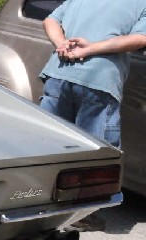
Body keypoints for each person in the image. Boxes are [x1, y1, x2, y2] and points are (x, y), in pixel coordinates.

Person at [39, 0, 146, 149]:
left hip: (59, 75)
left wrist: (61, 44)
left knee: (44, 144)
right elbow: (141, 38)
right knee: (94, 154)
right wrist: (90, 49)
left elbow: (50, 20)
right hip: (99, 83)